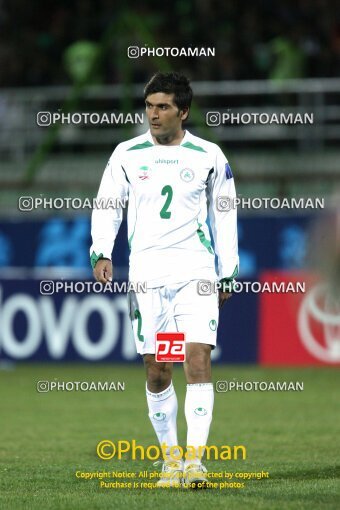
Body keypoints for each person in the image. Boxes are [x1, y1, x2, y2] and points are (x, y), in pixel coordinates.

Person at [90, 71, 239, 489]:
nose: (153, 114)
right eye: (149, 106)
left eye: (163, 107)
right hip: (148, 278)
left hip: (196, 273)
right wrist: (102, 249)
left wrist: (227, 271)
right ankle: (170, 460)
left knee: (197, 359)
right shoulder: (126, 153)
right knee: (158, 370)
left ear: (183, 111)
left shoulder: (208, 155)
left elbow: (224, 214)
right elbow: (107, 205)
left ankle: (195, 463)